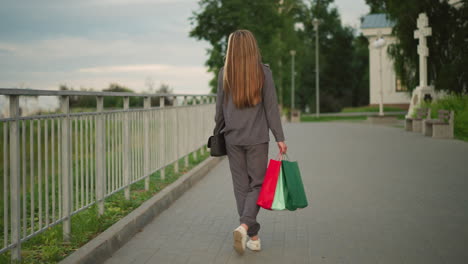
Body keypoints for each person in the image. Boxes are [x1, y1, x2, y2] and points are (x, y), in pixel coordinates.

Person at [213, 29, 287, 255]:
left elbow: (219, 111)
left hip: (233, 137)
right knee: (258, 184)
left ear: (232, 49)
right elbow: (271, 109)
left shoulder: (224, 73)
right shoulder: (263, 73)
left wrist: (218, 134)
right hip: (256, 138)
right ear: (253, 48)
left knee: (241, 188)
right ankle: (246, 227)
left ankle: (253, 237)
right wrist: (280, 138)